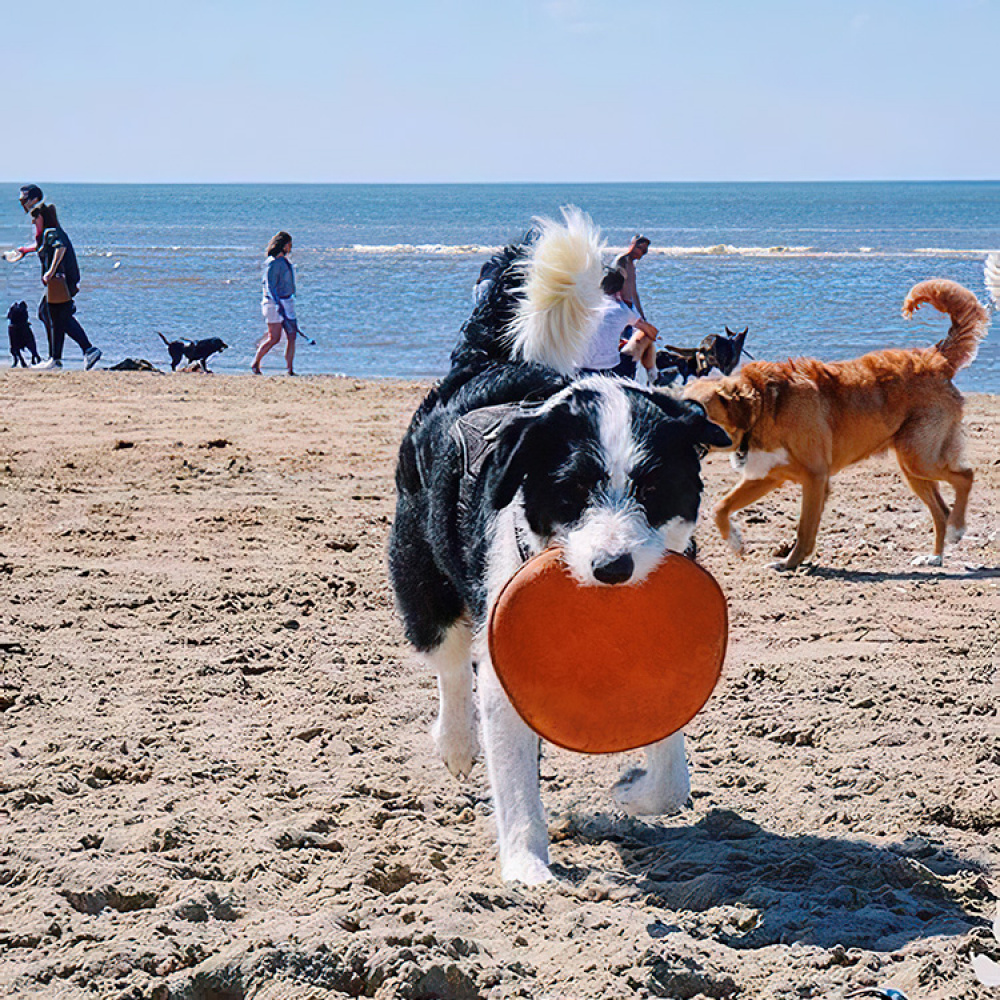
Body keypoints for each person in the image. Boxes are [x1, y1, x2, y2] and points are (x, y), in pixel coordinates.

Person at [30, 203, 101, 370]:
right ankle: (83, 351)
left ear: (43, 217)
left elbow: (60, 248)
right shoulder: (52, 231)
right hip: (62, 284)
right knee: (52, 315)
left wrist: (50, 272)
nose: (33, 222)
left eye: (35, 218)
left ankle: (57, 359)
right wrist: (26, 251)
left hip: (61, 284)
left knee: (53, 315)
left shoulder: (52, 232)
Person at [578, 269, 658, 378]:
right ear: (621, 288)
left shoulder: (587, 305)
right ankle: (653, 375)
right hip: (610, 370)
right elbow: (652, 333)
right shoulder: (622, 308)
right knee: (644, 335)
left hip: (580, 368)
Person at [253, 231, 299, 375]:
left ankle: (290, 369)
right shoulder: (272, 263)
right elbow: (269, 285)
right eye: (289, 244)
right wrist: (278, 304)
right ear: (284, 245)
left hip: (287, 301)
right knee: (275, 338)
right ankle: (256, 364)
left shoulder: (285, 262)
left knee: (292, 335)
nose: (290, 247)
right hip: (273, 304)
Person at [614, 234, 650, 317]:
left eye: (644, 251)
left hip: (628, 307)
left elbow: (634, 292)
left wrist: (641, 315)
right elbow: (614, 287)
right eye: (639, 247)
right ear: (632, 245)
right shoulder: (622, 260)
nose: (640, 252)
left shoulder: (632, 266)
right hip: (619, 307)